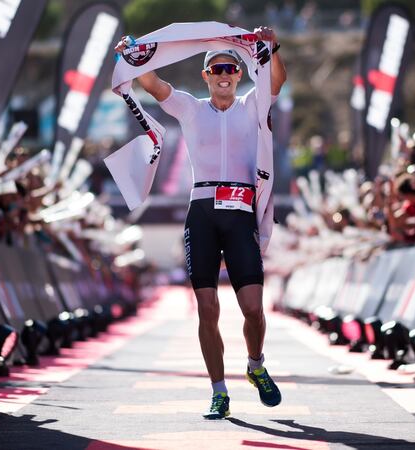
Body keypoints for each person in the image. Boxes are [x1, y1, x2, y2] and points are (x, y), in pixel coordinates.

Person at [115, 26, 287, 420]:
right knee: (207, 307)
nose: (224, 74)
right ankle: (219, 391)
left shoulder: (252, 104)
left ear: (239, 74)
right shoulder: (190, 107)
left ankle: (255, 365)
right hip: (204, 212)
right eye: (216, 69)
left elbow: (276, 78)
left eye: (230, 67)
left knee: (253, 308)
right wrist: (135, 54)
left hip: (241, 212)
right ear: (206, 77)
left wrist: (272, 47)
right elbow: (154, 84)